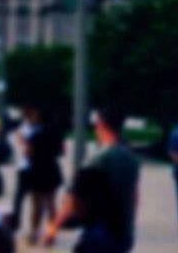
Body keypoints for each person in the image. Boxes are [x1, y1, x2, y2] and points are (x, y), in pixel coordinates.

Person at [44, 107, 140, 251]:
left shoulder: (98, 159)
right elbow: (134, 196)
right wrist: (129, 226)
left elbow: (74, 196)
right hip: (122, 234)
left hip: (99, 233)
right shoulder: (131, 158)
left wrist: (54, 226)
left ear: (101, 124)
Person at [25, 107, 63, 245]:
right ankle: (50, 236)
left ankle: (34, 234)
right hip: (52, 169)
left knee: (36, 205)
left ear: (40, 119)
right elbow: (61, 152)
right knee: (51, 204)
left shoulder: (35, 135)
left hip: (37, 171)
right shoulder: (56, 134)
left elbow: (28, 153)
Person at [9, 106, 40, 233]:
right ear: (28, 116)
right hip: (25, 167)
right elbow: (26, 150)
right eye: (34, 115)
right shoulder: (23, 129)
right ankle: (15, 222)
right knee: (20, 196)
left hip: (35, 167)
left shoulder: (37, 128)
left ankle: (33, 227)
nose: (37, 117)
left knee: (35, 197)